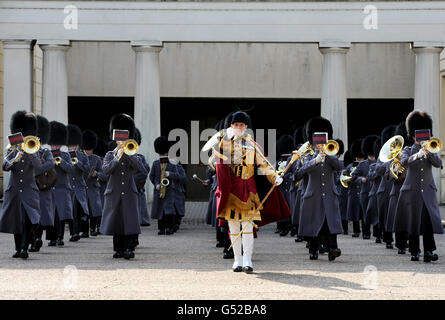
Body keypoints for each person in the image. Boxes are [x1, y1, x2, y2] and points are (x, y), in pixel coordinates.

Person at [215, 111, 288, 273]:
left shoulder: (253, 145)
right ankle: (237, 260)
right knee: (233, 227)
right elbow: (218, 165)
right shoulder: (224, 144)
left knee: (247, 227)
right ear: (231, 126)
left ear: (246, 127)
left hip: (248, 191)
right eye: (236, 125)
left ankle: (247, 259)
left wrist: (274, 176)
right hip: (231, 191)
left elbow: (264, 165)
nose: (238, 127)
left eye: (241, 125)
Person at [394, 110, 443, 262]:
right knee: (413, 222)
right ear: (413, 135)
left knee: (427, 222)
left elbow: (438, 163)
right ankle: (415, 251)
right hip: (412, 192)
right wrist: (419, 154)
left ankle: (429, 251)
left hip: (427, 192)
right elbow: (404, 162)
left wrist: (429, 152)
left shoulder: (431, 149)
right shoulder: (408, 150)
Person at [297, 116, 343, 261]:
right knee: (313, 222)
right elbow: (298, 173)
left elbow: (339, 167)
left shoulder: (331, 153)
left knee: (329, 222)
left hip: (329, 194)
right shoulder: (306, 156)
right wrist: (314, 161)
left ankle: (333, 248)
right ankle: (313, 248)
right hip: (313, 194)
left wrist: (327, 155)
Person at [100, 113, 145, 259]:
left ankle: (129, 248)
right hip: (114, 192)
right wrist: (118, 156)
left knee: (130, 221)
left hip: (129, 192)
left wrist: (128, 154)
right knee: (116, 221)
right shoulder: (109, 155)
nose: (121, 142)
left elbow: (141, 168)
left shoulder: (133, 154)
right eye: (119, 140)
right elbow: (106, 170)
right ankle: (118, 249)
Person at [0, 111, 42, 259]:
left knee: (27, 221)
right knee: (16, 222)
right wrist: (16, 158)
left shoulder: (34, 149)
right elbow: (5, 167)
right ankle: (19, 249)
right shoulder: (11, 149)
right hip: (15, 191)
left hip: (29, 191)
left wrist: (31, 152)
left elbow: (38, 167)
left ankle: (25, 248)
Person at [150, 136, 187, 235]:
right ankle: (161, 228)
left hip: (171, 190)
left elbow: (180, 177)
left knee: (169, 209)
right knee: (160, 210)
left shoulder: (173, 163)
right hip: (159, 190)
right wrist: (156, 184)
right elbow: (152, 177)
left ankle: (169, 227)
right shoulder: (156, 163)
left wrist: (169, 174)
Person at [46, 121, 74, 246]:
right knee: (50, 215)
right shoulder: (47, 154)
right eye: (52, 145)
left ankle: (60, 237)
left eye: (56, 145)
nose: (54, 147)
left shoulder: (65, 155)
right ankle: (51, 238)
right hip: (50, 188)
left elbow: (70, 169)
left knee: (61, 215)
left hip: (62, 188)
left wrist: (60, 161)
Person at [30, 115, 55, 252]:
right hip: (29, 188)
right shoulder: (25, 152)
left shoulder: (45, 152)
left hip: (42, 188)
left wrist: (38, 169)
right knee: (29, 216)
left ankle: (37, 239)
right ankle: (30, 240)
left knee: (40, 216)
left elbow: (51, 164)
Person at [352, 135, 379, 240]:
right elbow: (353, 176)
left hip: (376, 191)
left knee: (376, 212)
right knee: (365, 213)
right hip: (365, 192)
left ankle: (377, 234)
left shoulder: (379, 162)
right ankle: (366, 232)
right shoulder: (362, 164)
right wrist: (361, 179)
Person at [67, 124, 90, 241]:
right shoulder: (64, 156)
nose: (72, 147)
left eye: (74, 145)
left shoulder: (83, 156)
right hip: (69, 187)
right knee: (71, 211)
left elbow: (87, 170)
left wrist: (78, 163)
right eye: (70, 145)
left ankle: (81, 231)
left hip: (80, 187)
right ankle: (74, 233)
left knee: (79, 210)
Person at [376, 125, 397, 249]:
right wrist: (387, 162)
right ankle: (388, 239)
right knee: (385, 215)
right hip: (384, 190)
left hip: (397, 188)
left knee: (398, 215)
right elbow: (378, 170)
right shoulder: (381, 156)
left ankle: (402, 239)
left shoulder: (402, 154)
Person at [82, 130, 103, 237]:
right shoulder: (80, 158)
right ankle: (85, 231)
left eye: (90, 149)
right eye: (86, 149)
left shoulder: (97, 159)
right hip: (83, 187)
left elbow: (103, 173)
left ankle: (93, 229)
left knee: (94, 210)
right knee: (85, 211)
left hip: (93, 187)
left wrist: (96, 174)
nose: (88, 151)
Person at [346, 139, 365, 238]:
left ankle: (366, 232)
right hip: (353, 191)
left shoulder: (366, 164)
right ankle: (356, 231)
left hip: (363, 190)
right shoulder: (349, 167)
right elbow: (346, 179)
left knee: (363, 212)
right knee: (355, 213)